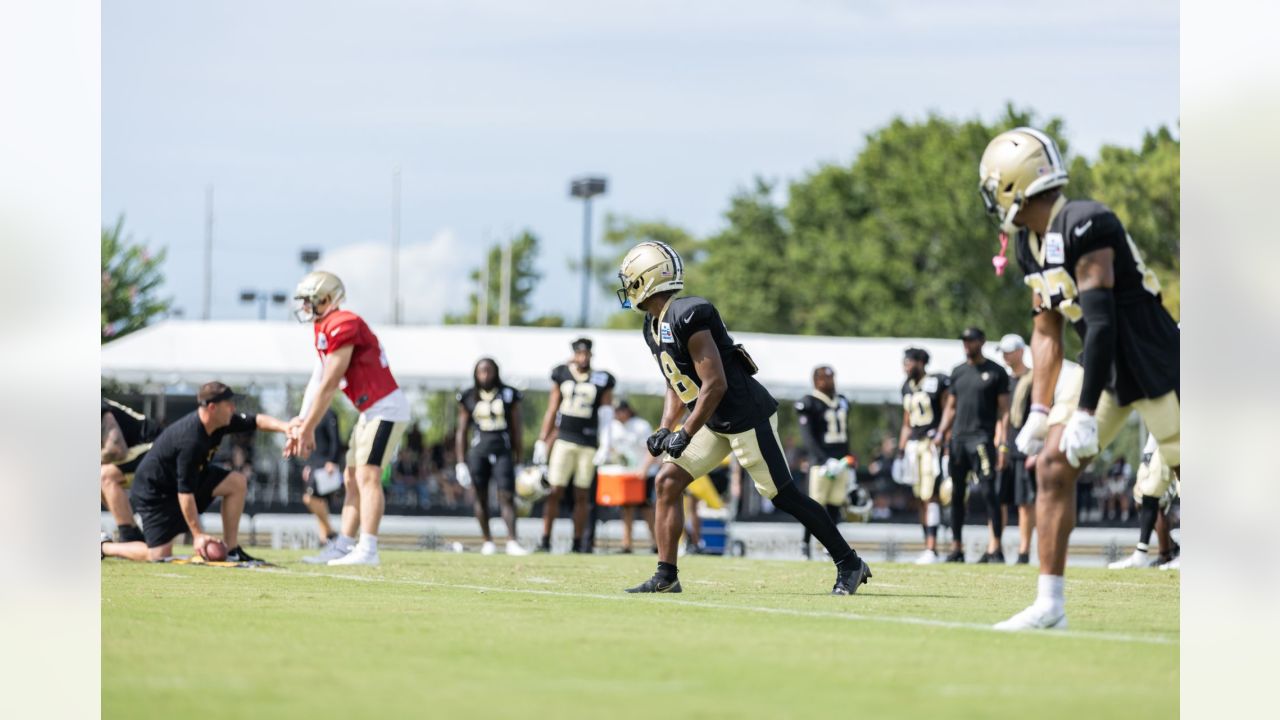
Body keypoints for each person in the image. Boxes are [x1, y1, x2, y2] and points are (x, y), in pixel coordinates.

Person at [978, 127, 1180, 629]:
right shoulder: (1028, 243)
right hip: (1109, 372)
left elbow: (1104, 321)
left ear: (1013, 184)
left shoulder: (1086, 222)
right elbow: (1045, 329)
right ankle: (1050, 606)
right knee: (1052, 466)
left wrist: (1084, 413)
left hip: (1157, 362)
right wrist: (1043, 410)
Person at [614, 240, 870, 594]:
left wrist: (685, 432)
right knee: (666, 482)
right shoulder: (652, 325)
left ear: (646, 279)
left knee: (783, 496)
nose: (628, 288)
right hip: (711, 419)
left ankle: (849, 561)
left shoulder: (689, 314)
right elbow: (675, 382)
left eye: (631, 279)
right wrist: (664, 426)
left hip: (743, 415)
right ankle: (666, 574)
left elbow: (715, 384)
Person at [291, 271, 411, 567]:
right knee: (351, 478)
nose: (305, 308)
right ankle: (344, 545)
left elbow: (330, 383)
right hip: (369, 411)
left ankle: (368, 548)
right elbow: (317, 377)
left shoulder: (343, 323)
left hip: (386, 408)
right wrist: (300, 420)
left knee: (368, 476)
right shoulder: (325, 326)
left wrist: (307, 429)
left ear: (328, 299)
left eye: (310, 301)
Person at [100, 382, 292, 562]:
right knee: (157, 555)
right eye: (228, 404)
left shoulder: (220, 421)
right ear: (212, 408)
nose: (233, 408)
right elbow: (185, 493)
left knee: (236, 482)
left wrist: (286, 428)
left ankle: (232, 549)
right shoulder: (190, 440)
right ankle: (104, 547)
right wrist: (198, 535)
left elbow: (256, 420)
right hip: (155, 492)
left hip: (180, 482)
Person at [532, 338, 616, 553]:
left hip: (587, 442)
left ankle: (578, 541)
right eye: (579, 353)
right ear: (573, 355)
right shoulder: (562, 373)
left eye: (586, 353)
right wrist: (542, 440)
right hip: (564, 439)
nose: (583, 358)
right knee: (554, 490)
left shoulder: (601, 378)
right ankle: (545, 538)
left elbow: (606, 413)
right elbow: (552, 408)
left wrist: (605, 443)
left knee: (582, 494)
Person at [935, 327, 1011, 564]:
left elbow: (1005, 411)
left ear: (982, 342)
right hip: (958, 439)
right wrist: (941, 432)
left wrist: (1003, 443)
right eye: (965, 341)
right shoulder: (957, 372)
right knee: (956, 495)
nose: (967, 344)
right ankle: (956, 547)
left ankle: (995, 547)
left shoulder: (996, 372)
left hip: (982, 439)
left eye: (971, 340)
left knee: (989, 493)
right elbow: (951, 407)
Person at [456, 357, 529, 556]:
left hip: (502, 449)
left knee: (506, 495)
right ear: (476, 374)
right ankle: (487, 540)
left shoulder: (508, 394)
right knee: (480, 496)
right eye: (481, 371)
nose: (485, 375)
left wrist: (519, 460)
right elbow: (461, 431)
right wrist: (460, 462)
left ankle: (512, 540)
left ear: (496, 372)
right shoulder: (469, 396)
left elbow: (516, 429)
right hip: (479, 451)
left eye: (489, 371)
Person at [795, 365, 856, 559]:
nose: (830, 382)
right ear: (816, 381)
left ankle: (832, 545)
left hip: (841, 461)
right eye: (825, 379)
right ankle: (805, 543)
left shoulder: (843, 400)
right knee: (815, 505)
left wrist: (848, 459)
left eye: (831, 378)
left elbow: (846, 435)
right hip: (820, 463)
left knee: (835, 504)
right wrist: (822, 459)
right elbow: (808, 437)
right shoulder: (809, 402)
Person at [896, 348, 950, 564]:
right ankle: (926, 546)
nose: (906, 366)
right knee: (919, 497)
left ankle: (932, 547)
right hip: (913, 446)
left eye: (909, 362)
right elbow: (906, 421)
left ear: (921, 362)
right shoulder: (906, 387)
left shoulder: (936, 381)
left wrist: (944, 438)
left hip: (930, 444)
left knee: (931, 495)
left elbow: (948, 409)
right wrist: (900, 451)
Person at [1109, 434, 1181, 569]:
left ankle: (1166, 553)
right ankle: (1159, 551)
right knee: (1144, 497)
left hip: (1174, 443)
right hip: (1158, 447)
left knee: (1161, 500)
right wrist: (1149, 450)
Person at [999, 334, 1036, 564]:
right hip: (1005, 446)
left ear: (1021, 351)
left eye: (1009, 350)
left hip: (1025, 448)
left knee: (1025, 501)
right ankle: (996, 548)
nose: (1004, 355)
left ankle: (1024, 551)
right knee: (999, 500)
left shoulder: (1034, 379)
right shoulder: (1002, 381)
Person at [101, 397, 158, 544]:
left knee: (104, 476)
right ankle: (133, 534)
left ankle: (130, 537)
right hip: (139, 452)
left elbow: (116, 451)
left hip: (155, 446)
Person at [608, 398, 658, 553]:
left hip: (643, 473)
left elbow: (652, 450)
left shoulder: (641, 426)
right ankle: (626, 544)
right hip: (625, 474)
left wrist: (644, 468)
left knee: (647, 508)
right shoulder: (613, 427)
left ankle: (656, 543)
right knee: (626, 508)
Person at [299, 407, 343, 554]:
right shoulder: (310, 414)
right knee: (319, 502)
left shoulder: (329, 413)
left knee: (310, 498)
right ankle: (326, 538)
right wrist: (307, 465)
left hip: (325, 466)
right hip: (314, 466)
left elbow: (336, 440)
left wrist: (332, 461)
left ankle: (330, 534)